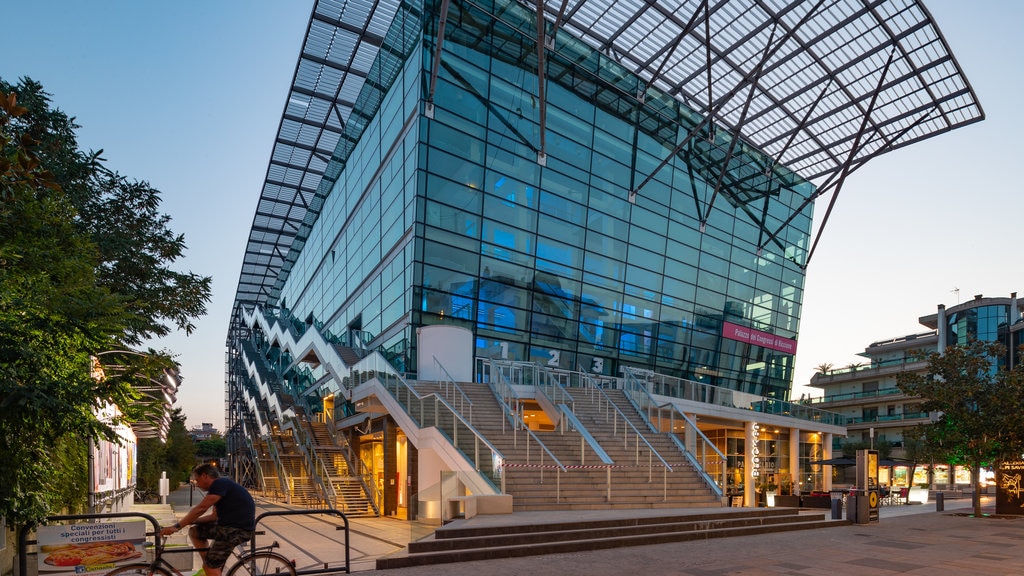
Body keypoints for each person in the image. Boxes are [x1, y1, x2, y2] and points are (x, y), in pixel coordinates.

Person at [160, 464, 256, 576]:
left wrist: (176, 527)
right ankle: (210, 564)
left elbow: (201, 508)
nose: (197, 483)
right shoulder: (221, 487)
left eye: (197, 479)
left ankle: (210, 567)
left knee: (210, 566)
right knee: (195, 531)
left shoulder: (219, 484)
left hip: (235, 530)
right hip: (230, 528)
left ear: (205, 475)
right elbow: (213, 517)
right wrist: (190, 521)